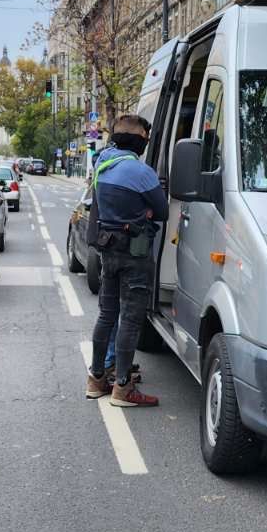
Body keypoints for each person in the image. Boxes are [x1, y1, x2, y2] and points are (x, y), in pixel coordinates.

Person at [85, 114, 166, 408]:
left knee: (107, 315)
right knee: (130, 320)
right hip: (135, 253)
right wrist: (145, 210)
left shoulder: (102, 164)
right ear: (140, 141)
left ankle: (96, 379)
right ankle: (122, 387)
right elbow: (162, 211)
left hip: (109, 251)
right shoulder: (140, 172)